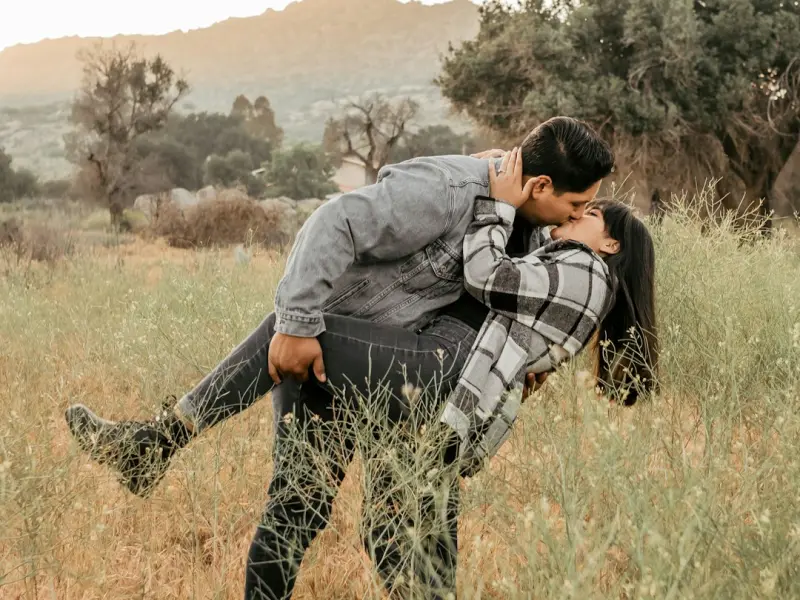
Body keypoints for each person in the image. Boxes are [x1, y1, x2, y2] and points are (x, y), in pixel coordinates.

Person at [64, 117, 641, 599]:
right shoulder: (449, 190)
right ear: (540, 185)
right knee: (297, 505)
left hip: (408, 370)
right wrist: (295, 325)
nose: (577, 215)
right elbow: (331, 221)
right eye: (576, 204)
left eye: (586, 209)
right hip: (337, 346)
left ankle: (157, 440)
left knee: (409, 533)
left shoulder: (535, 226)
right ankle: (155, 444)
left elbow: (540, 305)